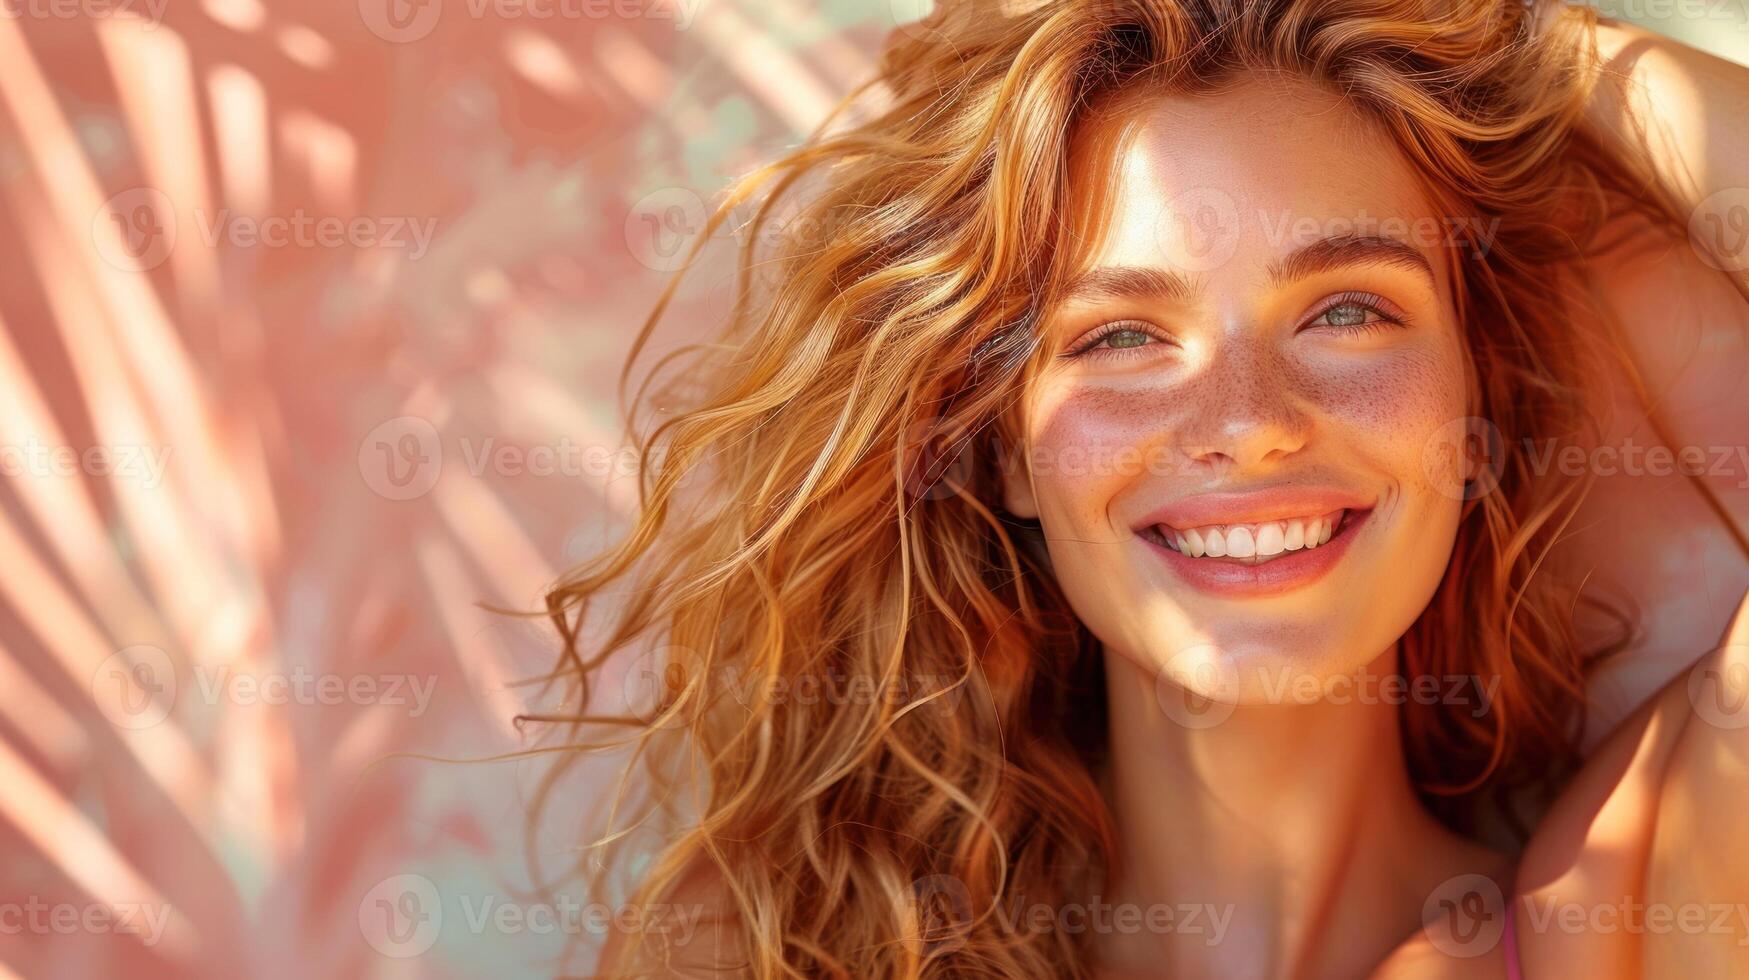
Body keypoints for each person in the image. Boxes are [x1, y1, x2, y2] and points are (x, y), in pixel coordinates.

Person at [551, 0, 1749, 975]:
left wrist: (1510, 32)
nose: (1249, 425)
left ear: (1474, 408)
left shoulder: (1621, 913)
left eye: (1347, 310)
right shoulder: (765, 944)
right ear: (1005, 447)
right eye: (1120, 336)